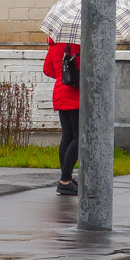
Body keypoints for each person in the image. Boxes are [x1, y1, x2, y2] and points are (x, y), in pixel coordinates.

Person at [41, 36, 80, 195]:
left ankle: (66, 179)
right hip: (74, 93)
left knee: (67, 135)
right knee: (79, 137)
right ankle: (65, 180)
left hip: (59, 91)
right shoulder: (76, 44)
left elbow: (47, 69)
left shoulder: (54, 44)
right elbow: (80, 66)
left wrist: (61, 75)